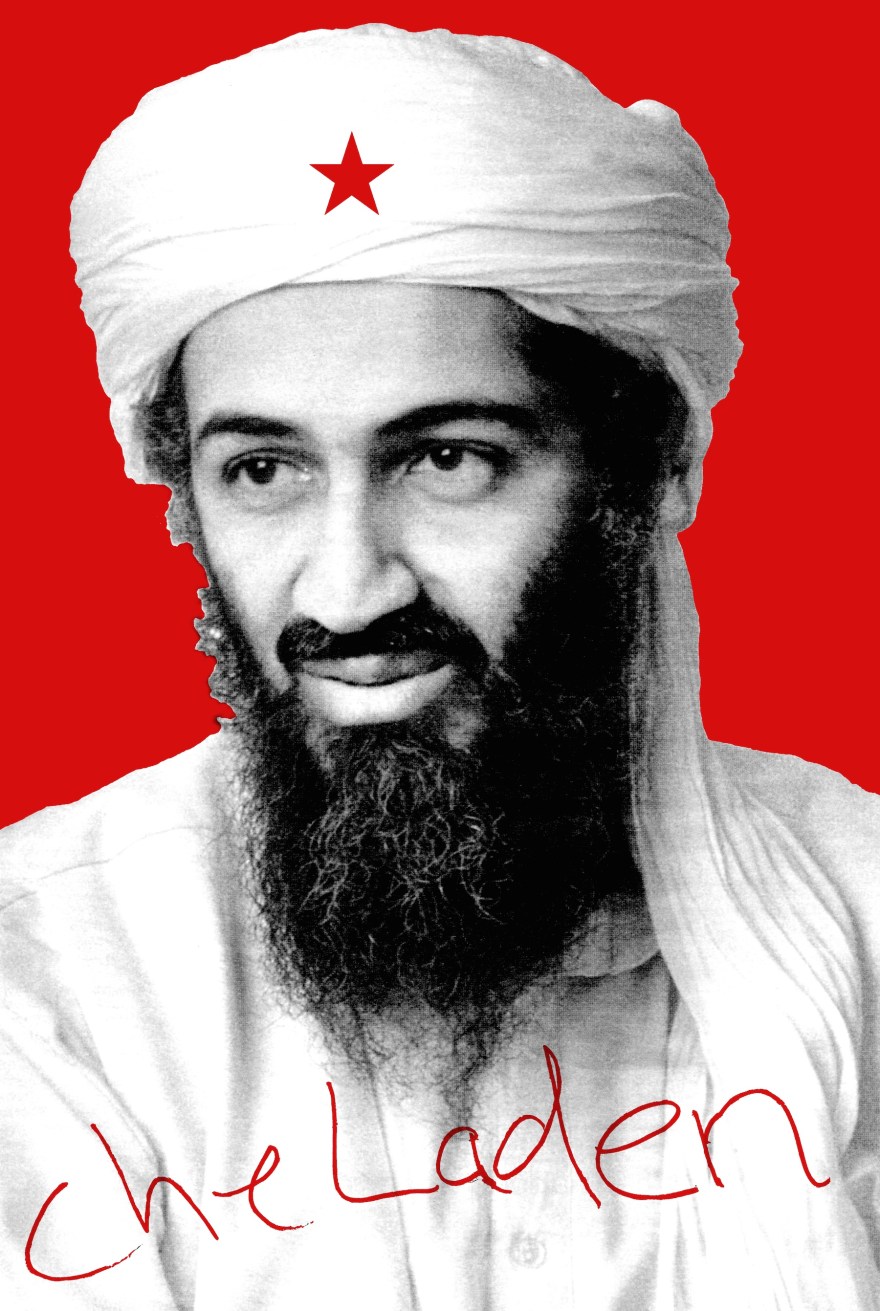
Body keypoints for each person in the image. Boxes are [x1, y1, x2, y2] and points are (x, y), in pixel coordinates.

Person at [1, 24, 877, 1311]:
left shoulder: (864, 915)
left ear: (654, 469)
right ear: (185, 499)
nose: (348, 591)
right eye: (264, 471)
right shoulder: (41, 975)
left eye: (447, 458)